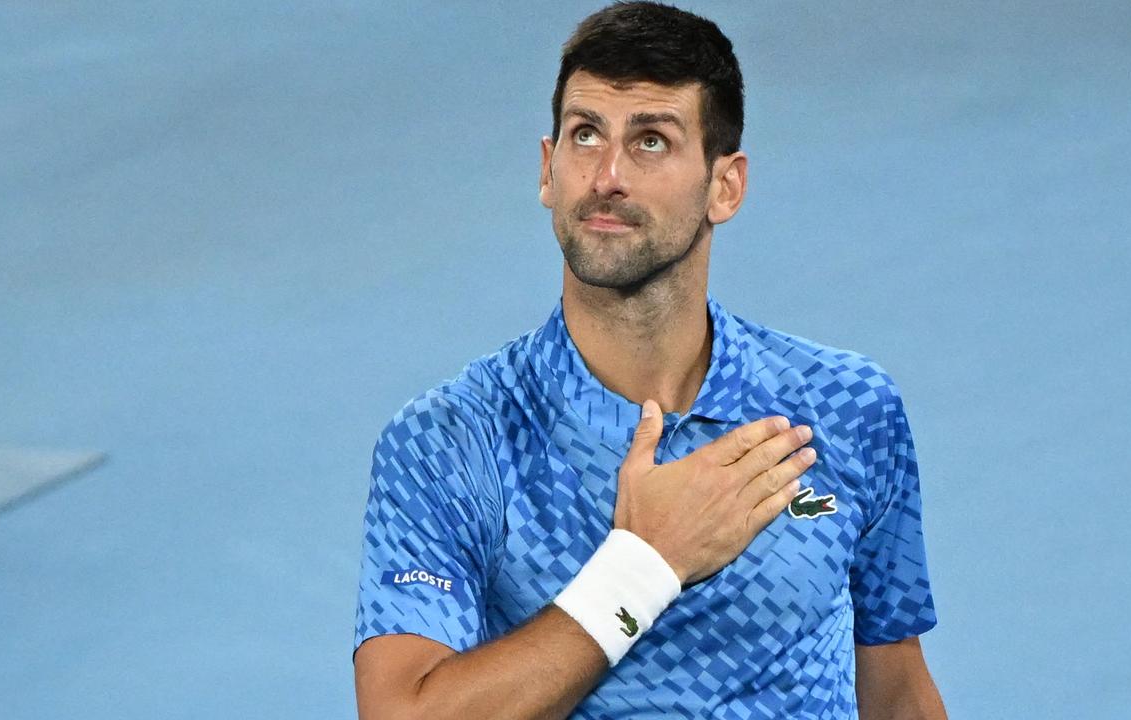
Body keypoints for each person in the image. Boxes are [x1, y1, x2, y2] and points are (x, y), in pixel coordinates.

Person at [353, 2, 946, 718]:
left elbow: (897, 688)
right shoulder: (448, 442)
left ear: (724, 186)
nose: (606, 176)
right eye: (585, 135)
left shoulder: (850, 407)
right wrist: (645, 565)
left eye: (652, 142)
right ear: (548, 171)